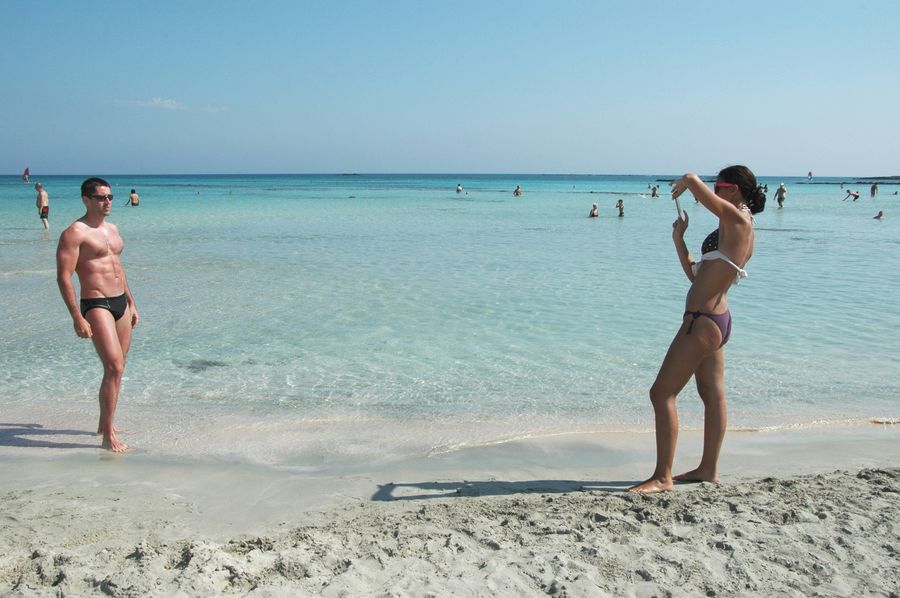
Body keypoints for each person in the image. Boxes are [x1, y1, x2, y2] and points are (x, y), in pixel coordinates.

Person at [629, 166, 765, 494]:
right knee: (712, 394)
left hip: (702, 322)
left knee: (661, 393)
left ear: (734, 189)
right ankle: (707, 469)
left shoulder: (739, 221)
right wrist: (679, 240)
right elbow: (696, 276)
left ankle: (663, 476)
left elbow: (699, 188)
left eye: (720, 185)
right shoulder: (735, 226)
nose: (715, 190)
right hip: (715, 320)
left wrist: (690, 181)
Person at [56, 177, 139, 453]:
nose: (108, 202)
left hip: (120, 302)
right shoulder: (74, 233)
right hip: (96, 302)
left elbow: (118, 268)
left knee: (119, 368)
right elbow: (64, 277)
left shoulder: (113, 229)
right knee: (113, 367)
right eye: (102, 198)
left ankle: (106, 425)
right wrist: (76, 317)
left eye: (110, 197)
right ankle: (107, 437)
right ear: (86, 200)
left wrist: (132, 302)